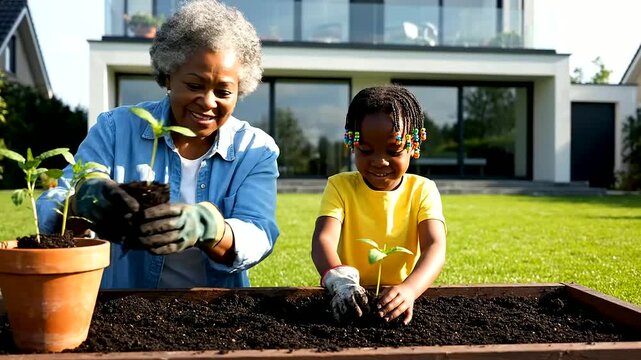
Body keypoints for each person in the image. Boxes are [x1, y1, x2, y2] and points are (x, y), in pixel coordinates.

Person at [36, 0, 279, 289]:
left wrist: (211, 228)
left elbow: (260, 232)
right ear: (168, 76)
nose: (208, 102)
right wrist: (81, 201)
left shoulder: (255, 150)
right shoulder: (115, 129)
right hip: (122, 303)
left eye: (223, 91)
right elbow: (49, 210)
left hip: (214, 315)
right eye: (194, 85)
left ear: (241, 89)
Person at [311, 85, 447, 325]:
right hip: (349, 297)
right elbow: (324, 239)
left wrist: (410, 290)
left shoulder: (423, 190)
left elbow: (434, 246)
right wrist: (340, 281)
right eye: (365, 149)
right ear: (352, 143)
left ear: (414, 145)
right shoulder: (340, 186)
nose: (379, 161)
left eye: (394, 150)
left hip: (398, 300)